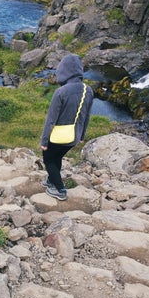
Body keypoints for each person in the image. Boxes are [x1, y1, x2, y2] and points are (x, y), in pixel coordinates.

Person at [39, 53, 94, 201]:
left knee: (49, 159)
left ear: (64, 71)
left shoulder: (61, 92)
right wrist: (82, 136)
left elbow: (51, 120)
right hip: (74, 136)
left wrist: (44, 142)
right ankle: (51, 180)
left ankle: (60, 189)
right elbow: (86, 116)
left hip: (58, 137)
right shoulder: (87, 90)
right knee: (58, 156)